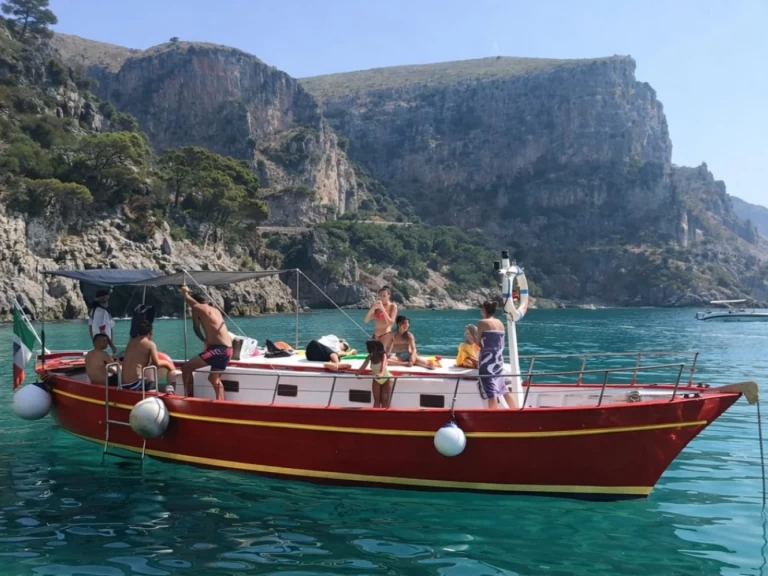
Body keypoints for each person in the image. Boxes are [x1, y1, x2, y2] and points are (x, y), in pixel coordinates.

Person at [180, 286, 233, 400]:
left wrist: (185, 292)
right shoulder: (215, 310)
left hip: (219, 350)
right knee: (214, 379)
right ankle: (222, 403)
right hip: (228, 349)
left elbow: (196, 328)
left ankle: (189, 398)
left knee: (186, 368)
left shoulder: (196, 307)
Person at [476, 301, 516, 409]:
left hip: (487, 362)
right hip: (498, 361)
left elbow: (478, 343)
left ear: (484, 310)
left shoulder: (482, 323)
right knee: (504, 389)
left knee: (491, 392)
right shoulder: (500, 323)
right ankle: (515, 411)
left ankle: (493, 415)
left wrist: (472, 332)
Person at [121, 320, 174, 391]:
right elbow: (156, 363)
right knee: (165, 388)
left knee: (150, 383)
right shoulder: (150, 344)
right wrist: (167, 364)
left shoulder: (131, 342)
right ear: (150, 332)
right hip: (136, 384)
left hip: (124, 384)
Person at [356, 339, 393, 408]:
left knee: (385, 400)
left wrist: (381, 373)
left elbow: (383, 365)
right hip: (376, 378)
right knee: (377, 400)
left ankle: (386, 414)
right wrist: (357, 373)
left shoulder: (383, 355)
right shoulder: (370, 356)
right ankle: (376, 413)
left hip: (386, 377)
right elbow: (364, 366)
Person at [88, 289, 116, 355]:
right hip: (103, 343)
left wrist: (94, 342)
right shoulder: (103, 312)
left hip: (97, 343)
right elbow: (102, 331)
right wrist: (112, 346)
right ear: (104, 300)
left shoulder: (93, 311)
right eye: (106, 300)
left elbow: (90, 328)